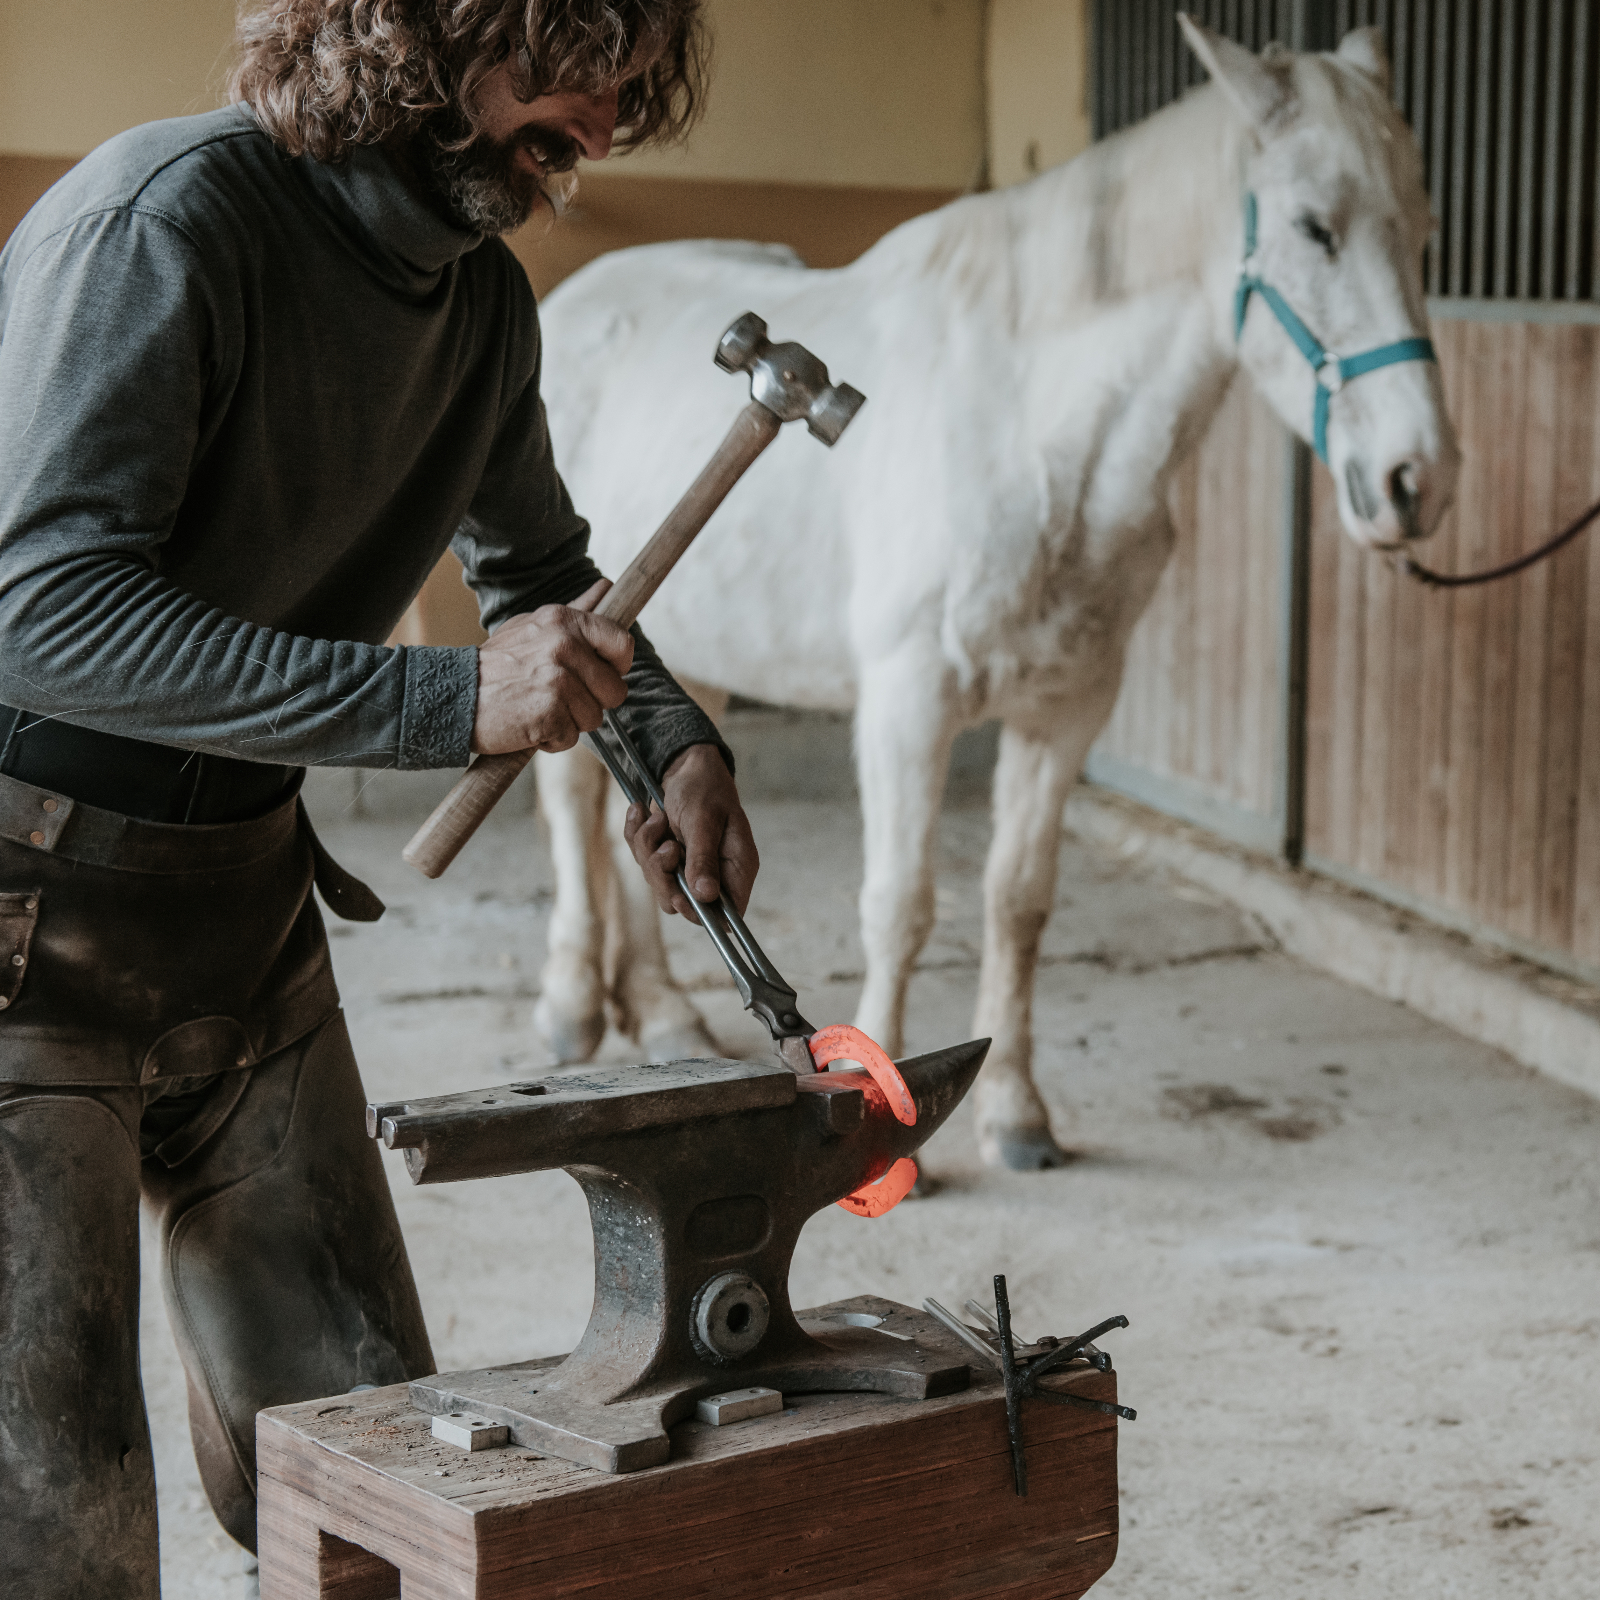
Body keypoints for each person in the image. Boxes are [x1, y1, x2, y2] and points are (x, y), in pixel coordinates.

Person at [0, 2, 756, 1593]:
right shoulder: (165, 224)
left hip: (242, 923)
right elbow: (40, 612)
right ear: (424, 34)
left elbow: (545, 574)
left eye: (625, 91)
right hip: (22, 939)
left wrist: (673, 741)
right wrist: (436, 701)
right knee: (55, 1536)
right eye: (570, 71)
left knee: (381, 1485)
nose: (603, 129)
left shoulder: (480, 306)